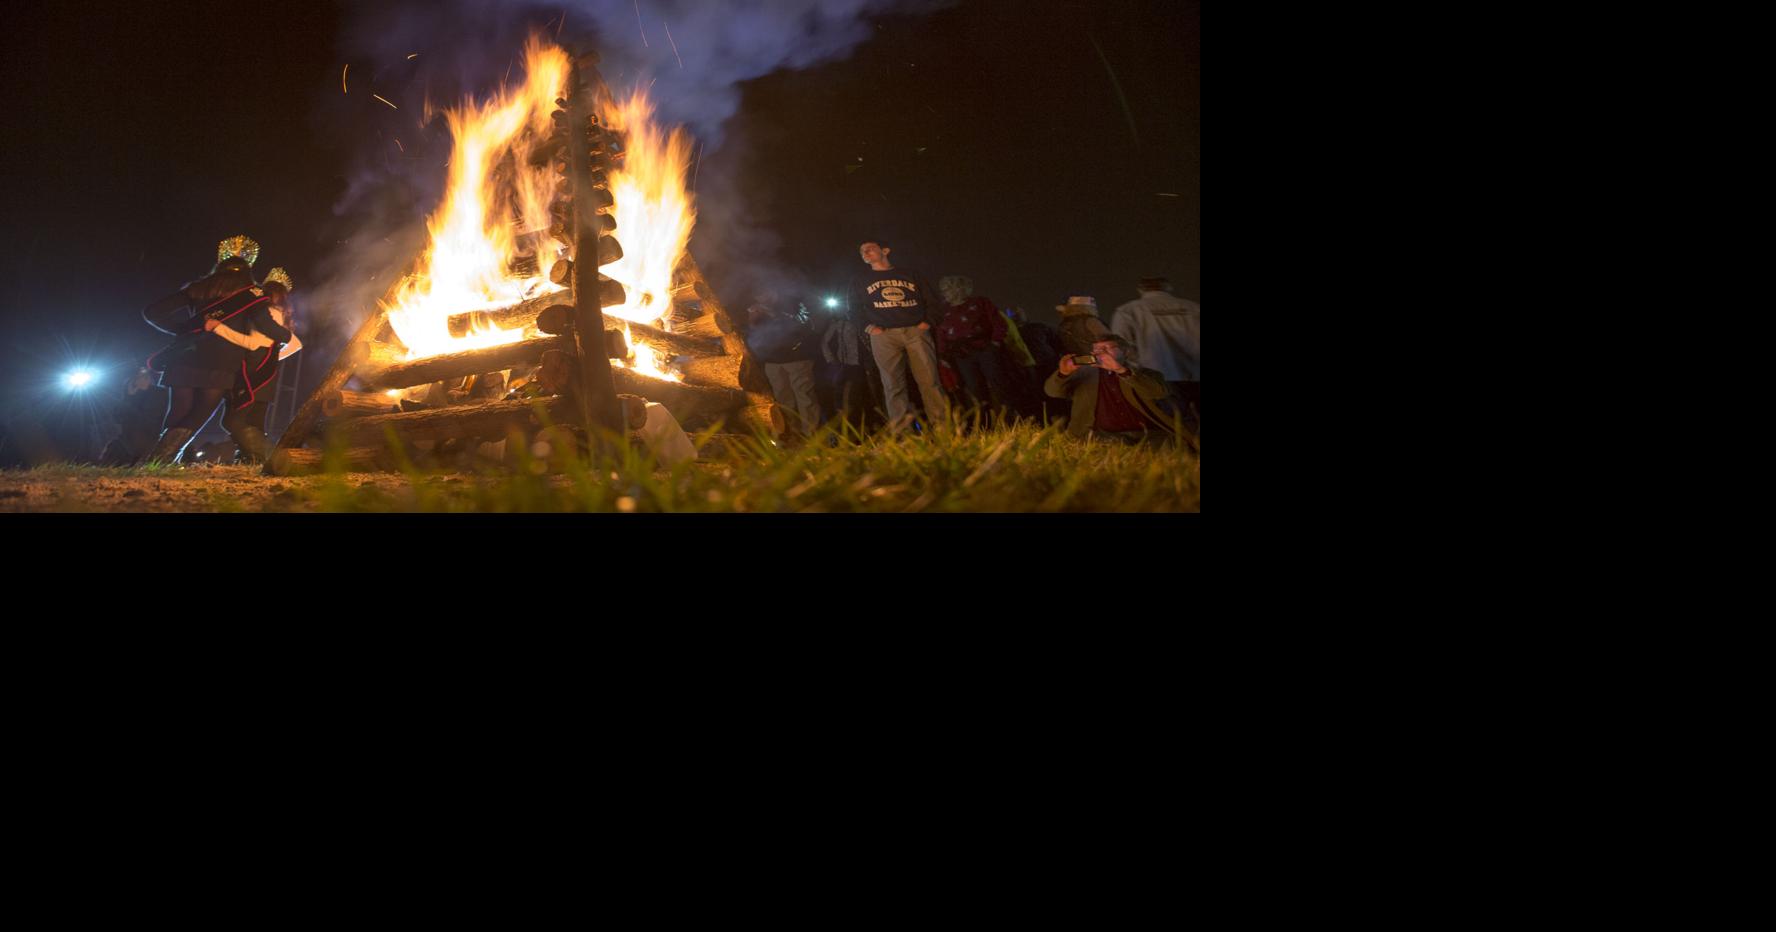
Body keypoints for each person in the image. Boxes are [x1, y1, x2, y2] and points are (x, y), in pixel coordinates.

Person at [140, 235, 292, 464]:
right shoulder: (251, 296)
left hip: (184, 357)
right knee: (198, 414)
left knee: (178, 411)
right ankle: (160, 459)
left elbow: (152, 312)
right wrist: (287, 335)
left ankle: (157, 461)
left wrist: (182, 329)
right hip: (220, 365)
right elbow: (271, 330)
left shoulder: (198, 288)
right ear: (248, 270)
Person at [854, 239, 949, 430]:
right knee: (892, 385)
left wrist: (927, 322)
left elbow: (932, 299)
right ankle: (902, 433)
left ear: (885, 251)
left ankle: (943, 428)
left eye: (870, 249)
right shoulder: (860, 280)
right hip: (883, 335)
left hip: (915, 331)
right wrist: (869, 327)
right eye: (862, 251)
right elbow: (853, 308)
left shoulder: (909, 274)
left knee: (929, 380)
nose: (865, 252)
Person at [219, 267, 302, 464]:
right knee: (254, 423)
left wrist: (219, 328)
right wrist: (274, 356)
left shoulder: (269, 312)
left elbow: (253, 343)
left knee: (232, 420)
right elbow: (294, 344)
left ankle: (273, 458)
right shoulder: (281, 314)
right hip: (265, 373)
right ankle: (253, 460)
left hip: (254, 372)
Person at [1044, 336, 1182, 443]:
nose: (1100, 353)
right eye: (1096, 350)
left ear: (1125, 351)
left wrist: (1121, 370)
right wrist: (1063, 373)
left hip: (1149, 435)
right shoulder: (1084, 373)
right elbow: (1052, 392)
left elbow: (1158, 393)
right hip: (1101, 436)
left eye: (1106, 348)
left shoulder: (1146, 373)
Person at [1111, 276, 1200, 423]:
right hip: (1195, 374)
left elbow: (1121, 346)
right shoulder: (1194, 308)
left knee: (1172, 427)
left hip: (1156, 378)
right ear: (1168, 288)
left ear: (1141, 289)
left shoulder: (1128, 311)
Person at [934, 275, 1013, 417]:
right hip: (962, 355)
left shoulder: (980, 302)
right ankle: (986, 423)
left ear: (958, 289)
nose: (944, 293)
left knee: (999, 384)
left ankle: (1012, 418)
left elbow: (998, 322)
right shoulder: (944, 311)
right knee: (975, 389)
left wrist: (995, 342)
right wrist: (943, 354)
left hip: (985, 348)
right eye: (943, 290)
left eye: (947, 289)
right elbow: (941, 334)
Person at [745, 299, 822, 437]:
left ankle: (811, 435)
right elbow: (754, 331)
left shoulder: (793, 298)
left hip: (797, 358)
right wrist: (753, 318)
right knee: (782, 399)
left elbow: (805, 322)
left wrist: (774, 314)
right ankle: (790, 433)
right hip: (773, 360)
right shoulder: (756, 303)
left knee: (805, 397)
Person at [99, 368, 166, 466]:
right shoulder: (129, 395)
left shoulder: (158, 394)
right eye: (138, 377)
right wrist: (130, 395)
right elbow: (118, 416)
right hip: (128, 440)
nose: (141, 379)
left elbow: (150, 418)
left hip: (146, 441)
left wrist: (138, 394)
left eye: (144, 377)